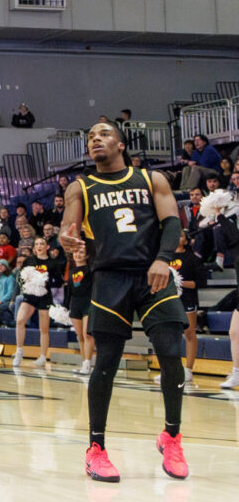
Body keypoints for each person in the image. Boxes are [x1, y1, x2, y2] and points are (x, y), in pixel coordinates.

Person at [59, 121, 188, 482]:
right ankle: (96, 448)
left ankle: (172, 436)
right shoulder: (80, 187)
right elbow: (68, 229)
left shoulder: (151, 179)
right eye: (89, 137)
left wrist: (163, 258)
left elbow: (173, 223)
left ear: (119, 143)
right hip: (109, 278)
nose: (95, 139)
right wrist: (66, 240)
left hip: (152, 274)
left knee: (170, 352)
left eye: (102, 134)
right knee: (106, 363)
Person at [12, 238, 54, 369]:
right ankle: (19, 350)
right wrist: (27, 281)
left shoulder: (52, 263)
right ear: (34, 247)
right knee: (19, 320)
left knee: (44, 328)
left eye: (42, 243)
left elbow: (57, 281)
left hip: (44, 296)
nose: (39, 246)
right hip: (30, 295)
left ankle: (42, 356)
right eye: (37, 244)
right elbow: (20, 277)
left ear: (47, 247)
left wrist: (45, 280)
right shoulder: (29, 261)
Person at [169, 229, 204, 389]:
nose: (177, 236)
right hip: (169, 300)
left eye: (181, 235)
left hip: (188, 299)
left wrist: (179, 283)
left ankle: (188, 369)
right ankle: (170, 369)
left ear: (185, 240)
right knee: (170, 334)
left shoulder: (192, 258)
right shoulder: (164, 258)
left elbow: (200, 282)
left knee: (189, 332)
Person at [65, 243, 94, 376]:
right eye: (76, 252)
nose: (78, 255)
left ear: (87, 255)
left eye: (81, 252)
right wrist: (65, 307)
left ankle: (88, 363)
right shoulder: (71, 272)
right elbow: (69, 291)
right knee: (80, 337)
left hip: (88, 304)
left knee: (87, 334)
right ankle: (84, 363)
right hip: (75, 306)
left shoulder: (91, 269)